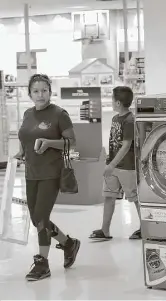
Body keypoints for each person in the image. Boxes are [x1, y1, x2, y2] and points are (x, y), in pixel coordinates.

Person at [15, 74, 80, 281]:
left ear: (50, 92)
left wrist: (50, 142)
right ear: (30, 94)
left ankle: (42, 263)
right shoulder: (27, 114)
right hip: (30, 173)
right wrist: (20, 153)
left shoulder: (59, 114)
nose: (40, 95)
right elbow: (25, 139)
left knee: (41, 217)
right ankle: (69, 243)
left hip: (51, 173)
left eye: (44, 90)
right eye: (36, 91)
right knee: (36, 219)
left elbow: (72, 142)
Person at [89, 86, 141, 241]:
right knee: (109, 197)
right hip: (113, 166)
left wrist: (112, 165)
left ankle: (145, 228)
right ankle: (104, 230)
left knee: (135, 198)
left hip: (127, 167)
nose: (111, 102)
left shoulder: (130, 120)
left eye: (112, 99)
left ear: (118, 102)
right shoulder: (115, 119)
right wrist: (110, 162)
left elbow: (126, 145)